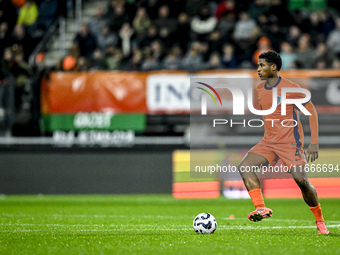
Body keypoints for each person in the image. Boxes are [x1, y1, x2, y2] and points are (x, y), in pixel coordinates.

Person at [238, 51, 329, 235]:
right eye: (258, 65)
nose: (258, 69)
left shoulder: (292, 88)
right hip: (269, 142)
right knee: (245, 166)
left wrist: (314, 143)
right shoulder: (259, 90)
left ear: (273, 67)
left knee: (302, 181)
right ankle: (261, 208)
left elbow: (311, 112)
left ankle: (320, 222)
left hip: (290, 144)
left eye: (262, 65)